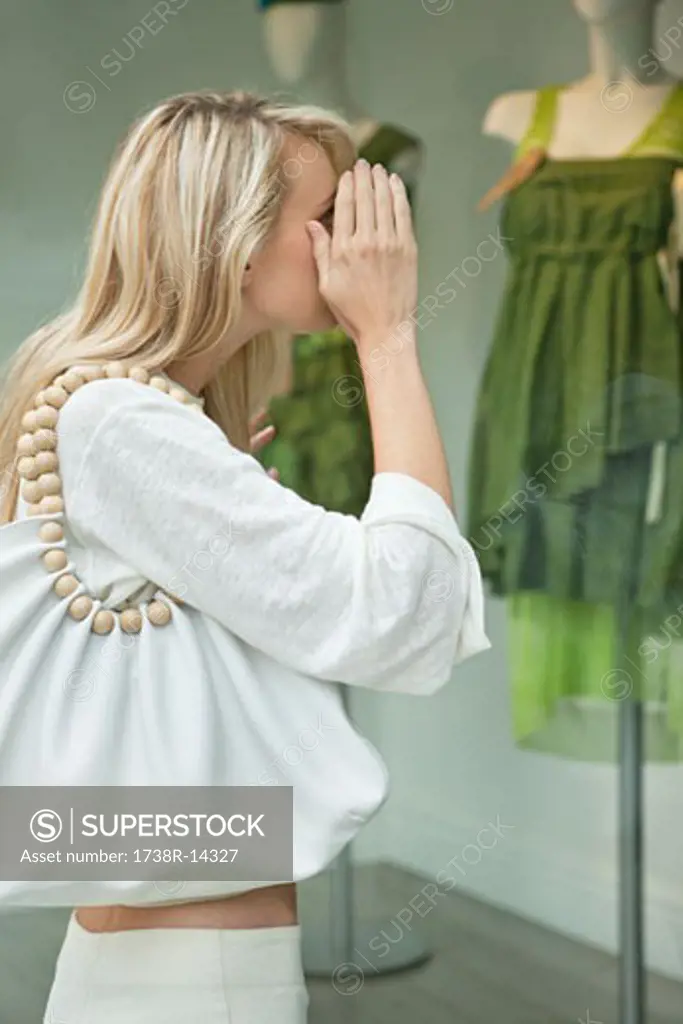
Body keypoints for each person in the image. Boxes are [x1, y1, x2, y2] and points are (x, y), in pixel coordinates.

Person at [0, 90, 489, 1024]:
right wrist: (385, 339)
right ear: (235, 241)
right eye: (326, 219)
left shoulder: (126, 415)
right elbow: (401, 611)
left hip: (172, 959)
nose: (355, 244)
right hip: (194, 979)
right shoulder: (118, 419)